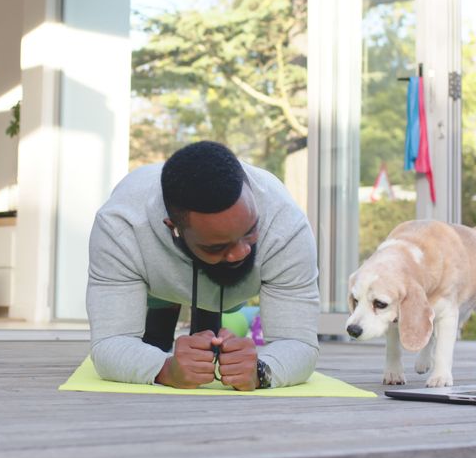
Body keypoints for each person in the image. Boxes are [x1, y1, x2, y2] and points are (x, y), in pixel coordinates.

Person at [86, 141, 320, 390]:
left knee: (208, 333)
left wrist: (260, 370)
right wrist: (165, 369)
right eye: (217, 246)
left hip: (229, 291)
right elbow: (110, 343)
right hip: (155, 283)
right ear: (173, 229)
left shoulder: (286, 225)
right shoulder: (121, 227)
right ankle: (168, 312)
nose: (241, 252)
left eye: (250, 231)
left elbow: (299, 343)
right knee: (155, 340)